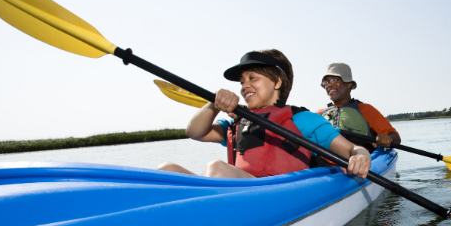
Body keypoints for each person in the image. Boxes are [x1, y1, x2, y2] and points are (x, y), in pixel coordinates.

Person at [158, 50, 371, 179]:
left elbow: (352, 149)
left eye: (253, 78)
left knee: (216, 168)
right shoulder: (236, 123)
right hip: (239, 194)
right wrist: (214, 104)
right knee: (166, 171)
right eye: (242, 81)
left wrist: (361, 156)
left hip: (279, 196)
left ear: (277, 82)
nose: (245, 86)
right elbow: (194, 131)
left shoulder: (302, 120)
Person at [319, 63, 401, 152]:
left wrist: (388, 138)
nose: (329, 85)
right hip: (322, 164)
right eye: (326, 82)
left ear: (349, 84)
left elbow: (395, 137)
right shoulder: (319, 114)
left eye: (334, 80)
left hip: (358, 161)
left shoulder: (366, 110)